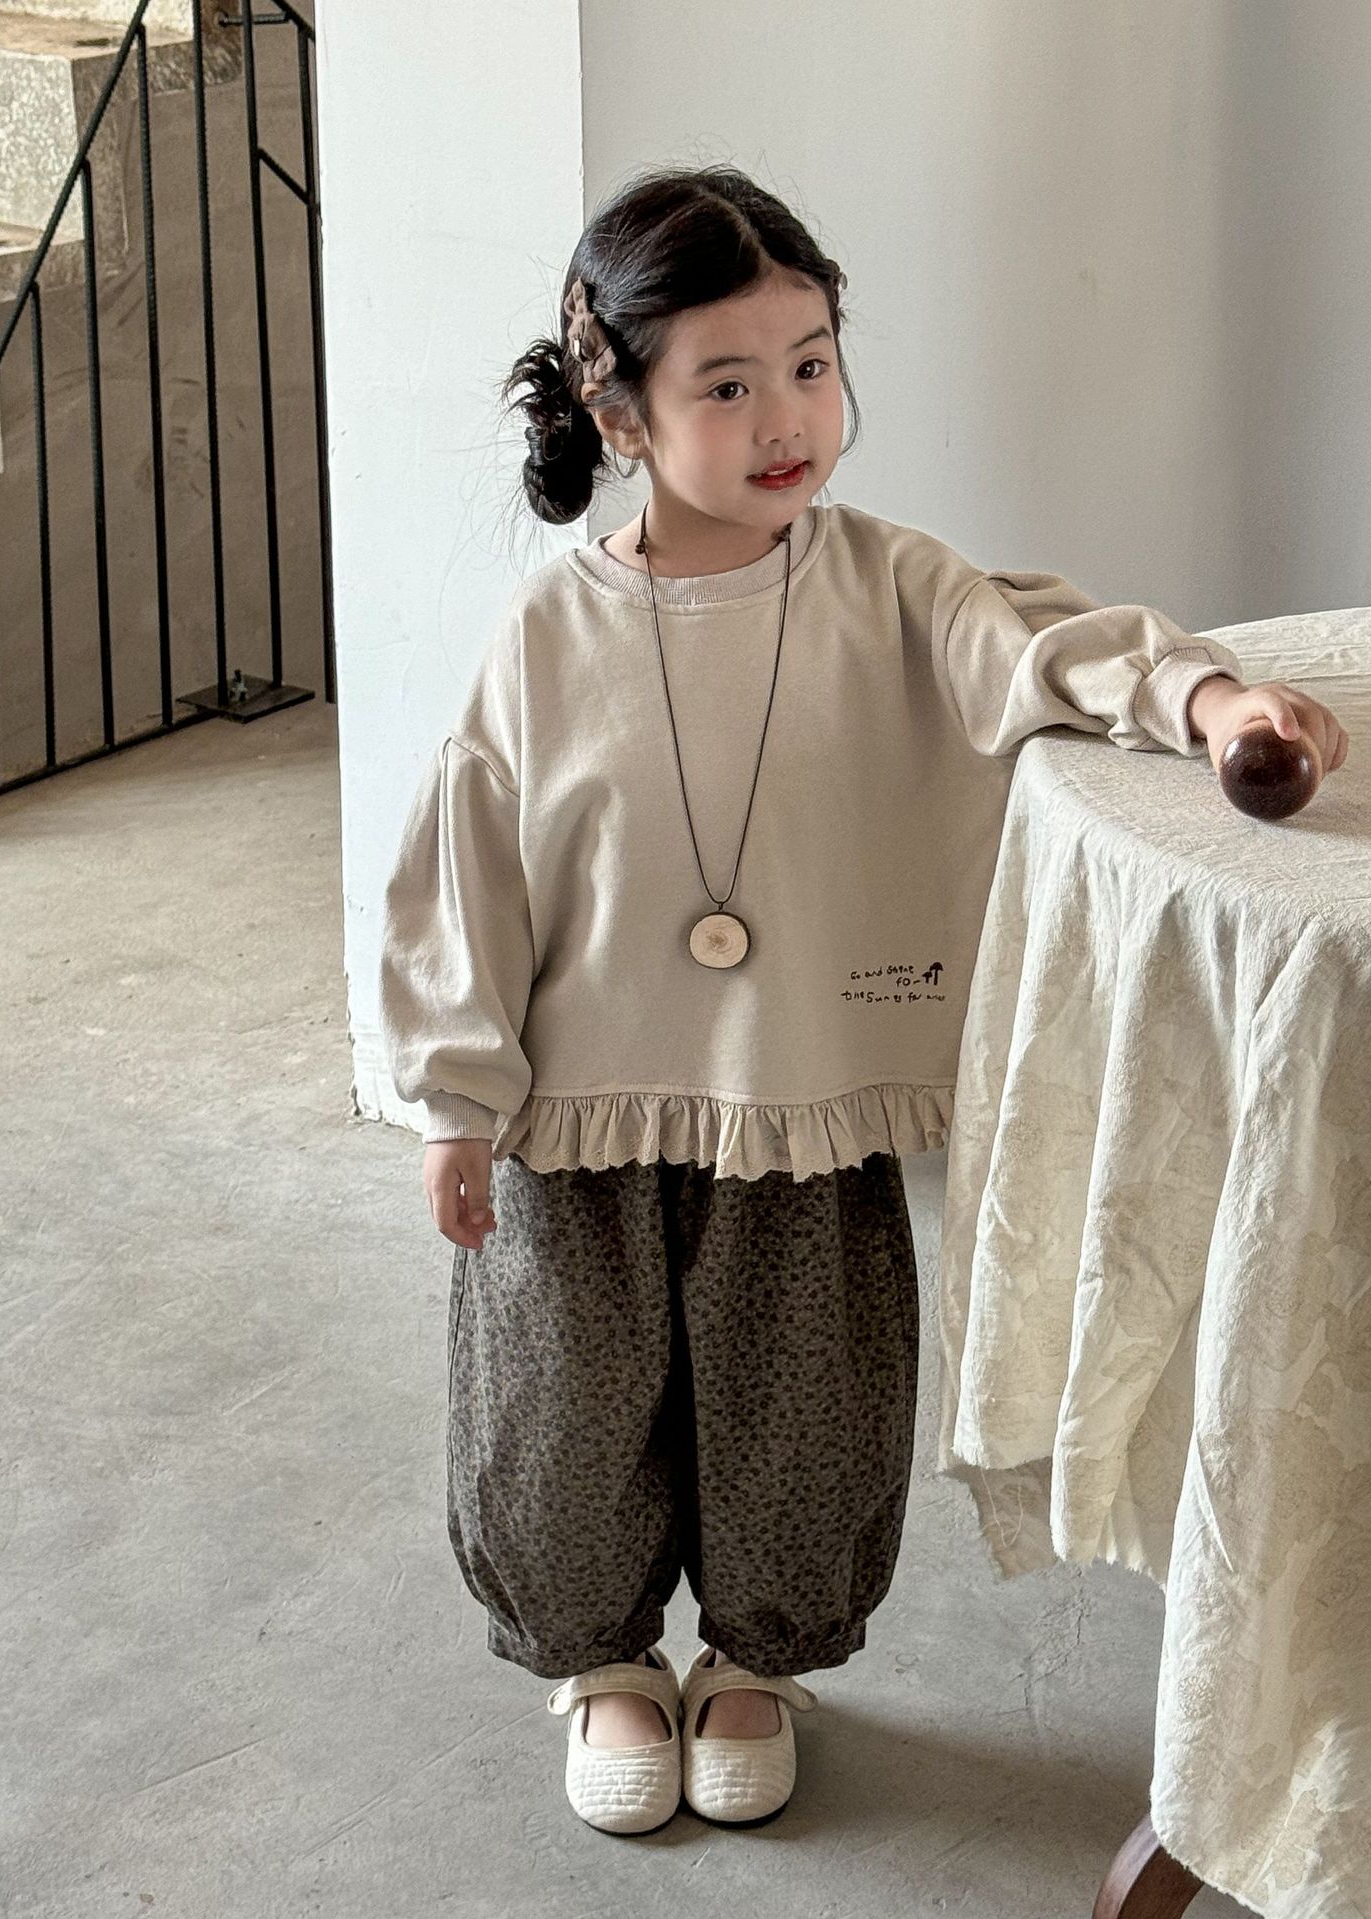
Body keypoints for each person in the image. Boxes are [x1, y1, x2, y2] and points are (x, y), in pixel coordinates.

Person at [377, 165, 1350, 1838]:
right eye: (728, 383)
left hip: (805, 1098)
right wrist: (455, 1098)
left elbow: (1050, 650)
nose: (787, 418)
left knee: (803, 1402)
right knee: (561, 1406)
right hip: (577, 1113)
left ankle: (761, 1662)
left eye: (813, 364)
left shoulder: (893, 586)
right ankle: (604, 1665)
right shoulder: (546, 636)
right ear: (621, 409)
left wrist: (1205, 699)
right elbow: (470, 864)